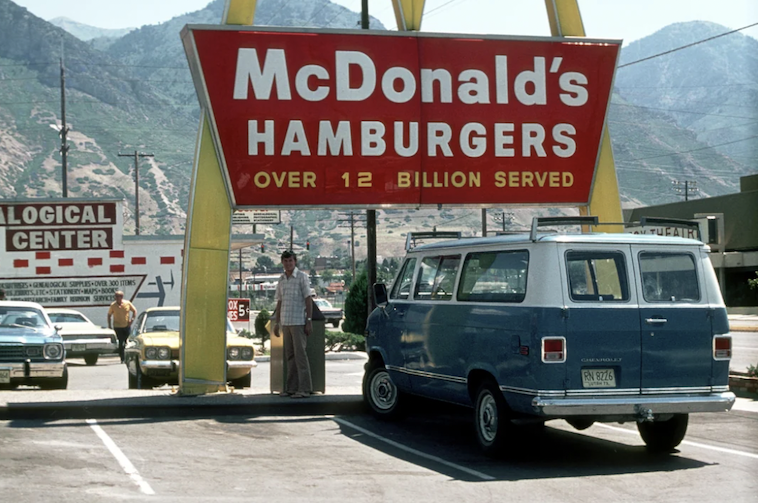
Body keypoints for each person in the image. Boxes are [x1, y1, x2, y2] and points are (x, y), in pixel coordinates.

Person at [273, 250, 313, 398]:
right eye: (285, 261)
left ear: (295, 262)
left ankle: (304, 389)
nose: (288, 263)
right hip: (286, 322)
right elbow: (279, 301)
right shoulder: (281, 279)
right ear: (282, 262)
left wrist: (309, 320)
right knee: (290, 356)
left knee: (300, 355)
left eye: (290, 261)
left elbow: (308, 299)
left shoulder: (302, 277)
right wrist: (277, 323)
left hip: (298, 322)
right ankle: (291, 388)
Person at [107, 290, 137, 363]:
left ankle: (129, 358)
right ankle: (122, 358)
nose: (117, 298)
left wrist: (132, 320)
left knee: (128, 342)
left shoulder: (127, 303)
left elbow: (134, 311)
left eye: (119, 296)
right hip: (117, 327)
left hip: (126, 326)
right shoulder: (113, 305)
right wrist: (109, 325)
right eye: (116, 296)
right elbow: (109, 315)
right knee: (121, 343)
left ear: (122, 297)